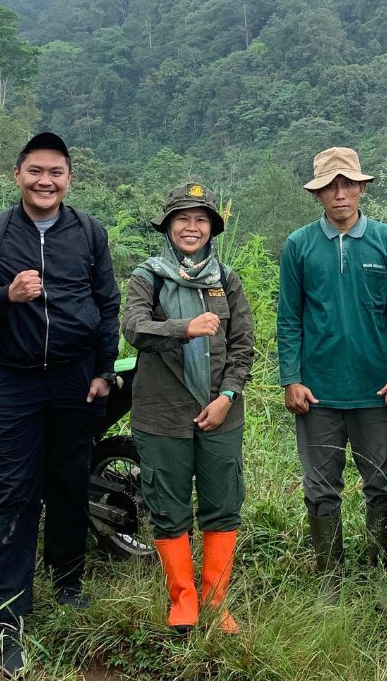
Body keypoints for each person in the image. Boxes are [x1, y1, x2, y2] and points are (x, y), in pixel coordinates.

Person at [0, 132, 120, 676]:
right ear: (18, 174)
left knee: (71, 483)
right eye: (35, 171)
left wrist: (101, 370)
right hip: (14, 381)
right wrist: (8, 296)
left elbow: (108, 303)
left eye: (56, 172)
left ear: (69, 177)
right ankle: (7, 618)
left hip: (73, 380)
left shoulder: (89, 232)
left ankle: (67, 585)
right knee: (13, 493)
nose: (46, 181)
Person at [122, 182, 255, 635]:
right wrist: (186, 327)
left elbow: (242, 346)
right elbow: (135, 328)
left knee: (222, 507)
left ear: (212, 229)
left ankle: (217, 603)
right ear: (169, 227)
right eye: (183, 219)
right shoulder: (149, 276)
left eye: (201, 220)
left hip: (221, 414)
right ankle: (183, 600)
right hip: (162, 414)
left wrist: (227, 396)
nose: (191, 227)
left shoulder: (227, 280)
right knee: (168, 507)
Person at [277, 147, 387, 576]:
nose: (340, 194)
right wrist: (291, 378)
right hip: (318, 392)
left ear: (361, 188)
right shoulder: (299, 245)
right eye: (330, 186)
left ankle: (378, 570)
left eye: (348, 184)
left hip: (375, 390)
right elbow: (289, 316)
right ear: (318, 195)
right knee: (320, 489)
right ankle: (330, 574)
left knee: (381, 486)